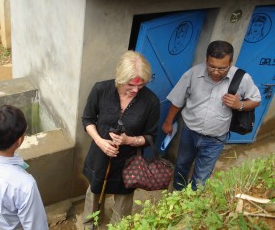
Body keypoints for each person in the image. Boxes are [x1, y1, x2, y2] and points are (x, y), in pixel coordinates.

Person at [162, 40, 261, 191]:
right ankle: (177, 193)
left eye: (222, 68)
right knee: (182, 165)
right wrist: (168, 122)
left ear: (231, 62)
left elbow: (255, 100)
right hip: (189, 133)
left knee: (202, 176)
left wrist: (239, 105)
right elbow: (177, 100)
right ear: (206, 59)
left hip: (215, 139)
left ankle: (193, 202)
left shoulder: (242, 78)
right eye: (212, 66)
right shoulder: (193, 73)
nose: (216, 72)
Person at [82, 50, 160, 228]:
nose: (135, 90)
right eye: (130, 85)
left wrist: (129, 141)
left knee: (123, 202)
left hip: (128, 162)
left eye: (141, 86)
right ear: (119, 78)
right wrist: (100, 141)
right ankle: (90, 225)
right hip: (100, 155)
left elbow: (150, 137)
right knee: (94, 193)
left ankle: (119, 226)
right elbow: (87, 120)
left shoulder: (151, 101)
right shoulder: (101, 89)